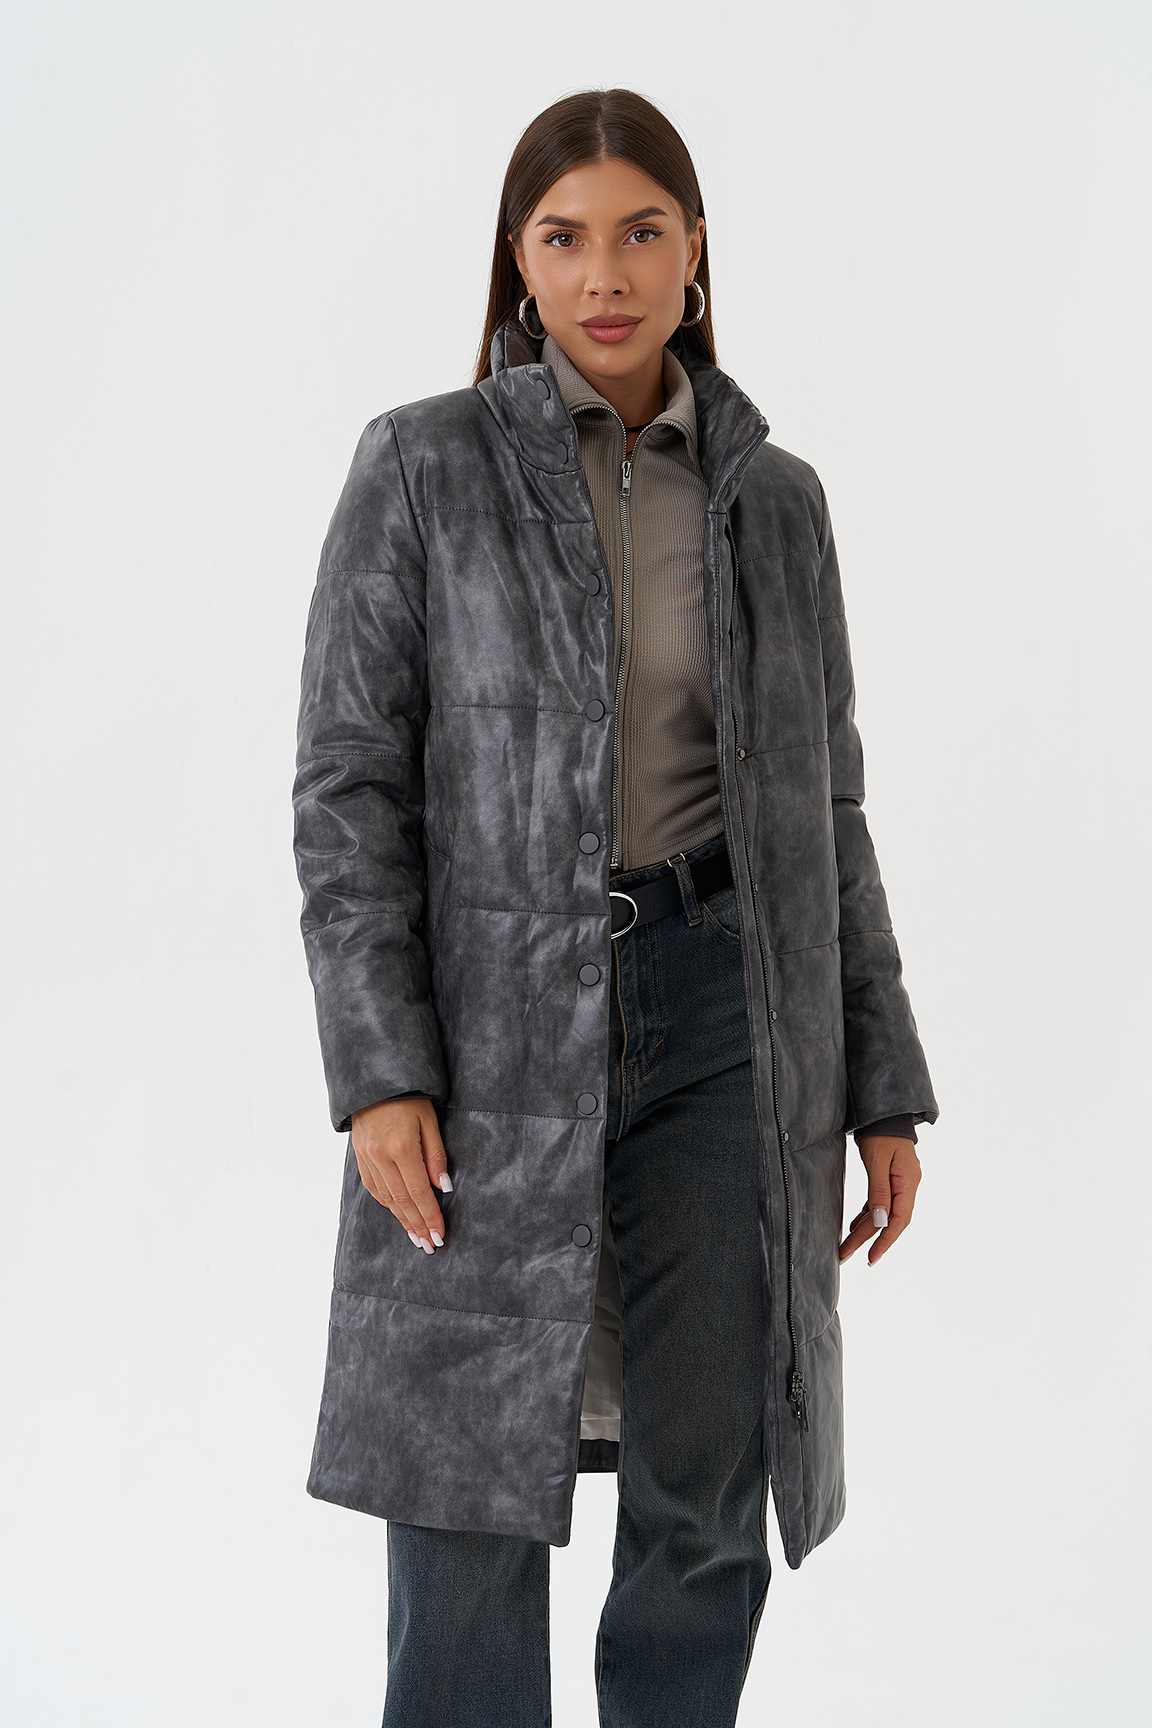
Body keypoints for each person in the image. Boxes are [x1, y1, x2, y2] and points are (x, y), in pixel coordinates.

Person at [292, 86, 938, 1728]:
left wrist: (880, 1079)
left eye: (642, 232)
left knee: (706, 1484)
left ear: (694, 249)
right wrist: (380, 1067)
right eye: (565, 236)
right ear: (518, 259)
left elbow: (829, 809)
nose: (606, 274)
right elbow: (348, 787)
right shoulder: (424, 469)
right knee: (464, 1477)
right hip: (491, 1020)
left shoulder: (774, 501)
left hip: (729, 1014)